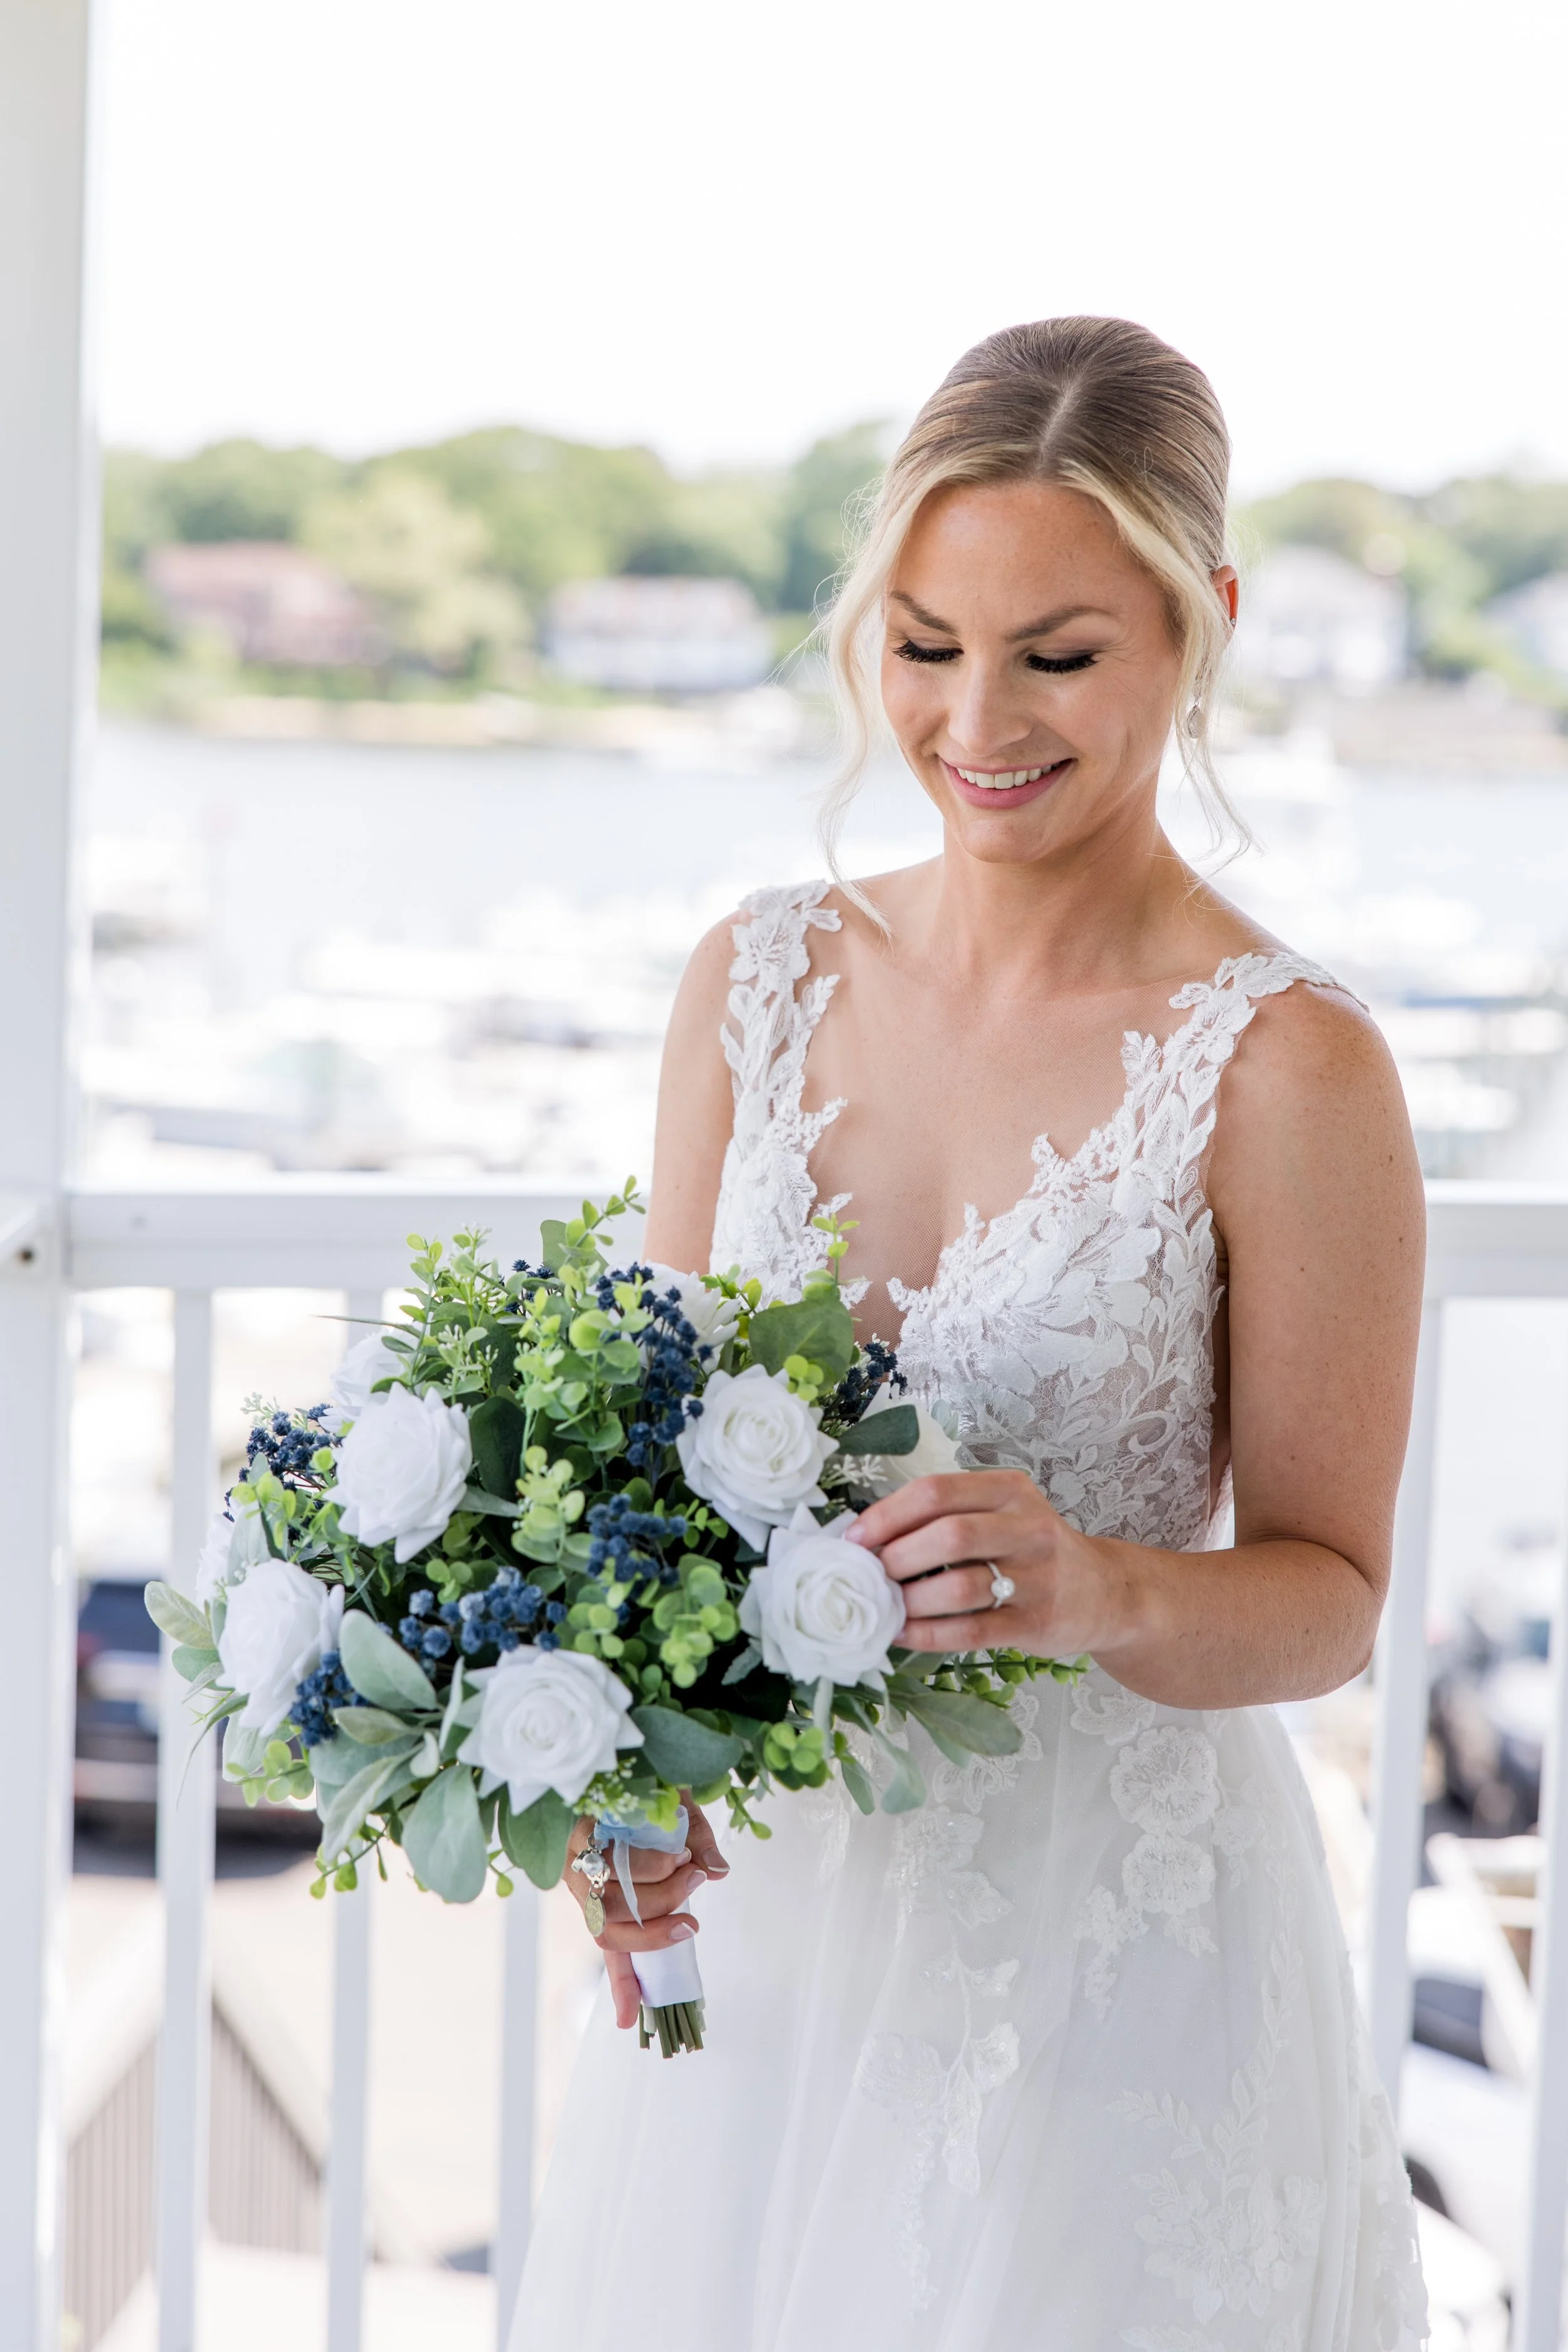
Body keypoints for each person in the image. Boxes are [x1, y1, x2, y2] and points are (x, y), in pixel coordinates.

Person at [510, 316, 1430, 2350]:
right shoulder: (750, 979)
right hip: (769, 1952)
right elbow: (644, 1504)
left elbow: (1331, 1598)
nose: (976, 718)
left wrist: (1101, 1583)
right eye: (923, 644)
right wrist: (625, 1793)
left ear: (1202, 625)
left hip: (1108, 1976)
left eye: (1057, 653)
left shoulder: (1289, 1065)